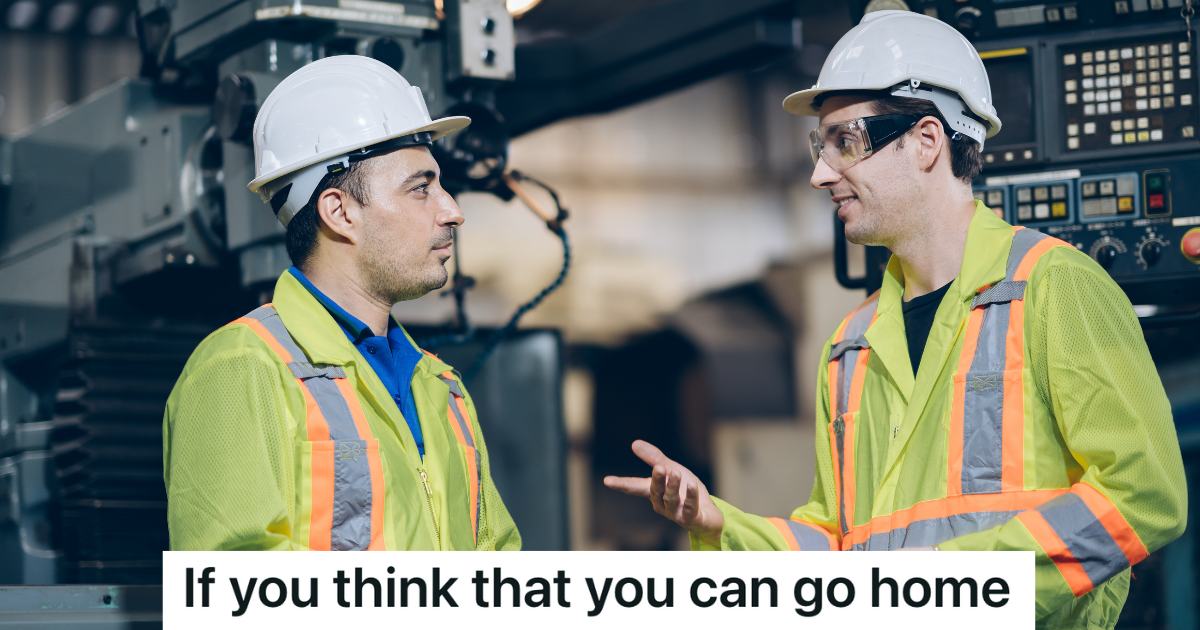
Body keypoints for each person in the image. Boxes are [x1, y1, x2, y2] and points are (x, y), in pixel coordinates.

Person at [604, 10, 1185, 627]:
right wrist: (724, 524)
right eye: (819, 145)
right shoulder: (850, 346)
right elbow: (843, 552)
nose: (820, 173)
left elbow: (1143, 494)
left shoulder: (1054, 288)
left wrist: (956, 590)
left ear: (927, 141)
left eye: (845, 141)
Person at [162, 56, 519, 551]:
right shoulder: (243, 369)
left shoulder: (443, 388)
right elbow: (233, 590)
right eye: (421, 189)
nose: (452, 211)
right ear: (340, 212)